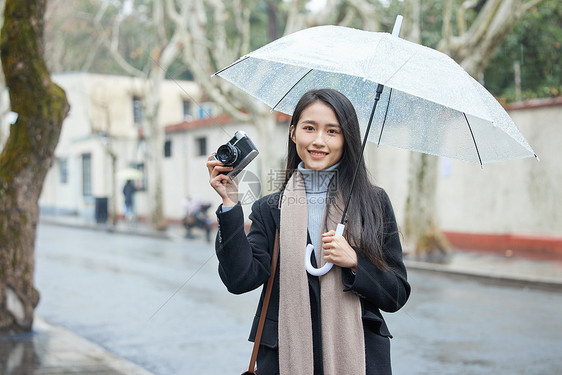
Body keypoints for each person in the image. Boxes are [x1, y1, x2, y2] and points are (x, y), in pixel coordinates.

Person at [207, 89, 410, 375]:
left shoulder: (373, 202)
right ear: (293, 133)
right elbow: (240, 279)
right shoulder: (270, 208)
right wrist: (229, 204)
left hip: (360, 358)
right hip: (285, 359)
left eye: (332, 131)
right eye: (309, 128)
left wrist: (355, 262)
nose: (318, 140)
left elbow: (396, 294)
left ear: (347, 139)